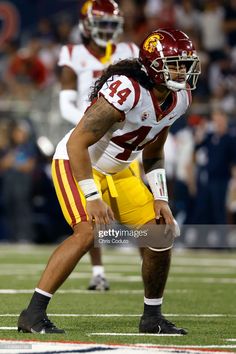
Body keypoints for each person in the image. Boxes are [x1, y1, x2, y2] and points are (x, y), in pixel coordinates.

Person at [17, 28, 200, 334]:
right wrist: (92, 195)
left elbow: (154, 149)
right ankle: (32, 314)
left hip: (120, 170)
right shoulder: (127, 90)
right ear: (154, 64)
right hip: (78, 163)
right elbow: (77, 142)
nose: (182, 71)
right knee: (87, 232)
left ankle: (152, 318)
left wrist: (161, 197)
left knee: (160, 233)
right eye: (175, 63)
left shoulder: (179, 98)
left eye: (185, 63)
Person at [58, 0, 139, 291]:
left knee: (136, 199)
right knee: (92, 204)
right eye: (101, 23)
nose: (106, 30)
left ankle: (148, 259)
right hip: (91, 137)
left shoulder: (130, 51)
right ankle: (99, 271)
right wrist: (90, 123)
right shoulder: (73, 53)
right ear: (86, 25)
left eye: (111, 24)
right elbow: (65, 102)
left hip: (125, 137)